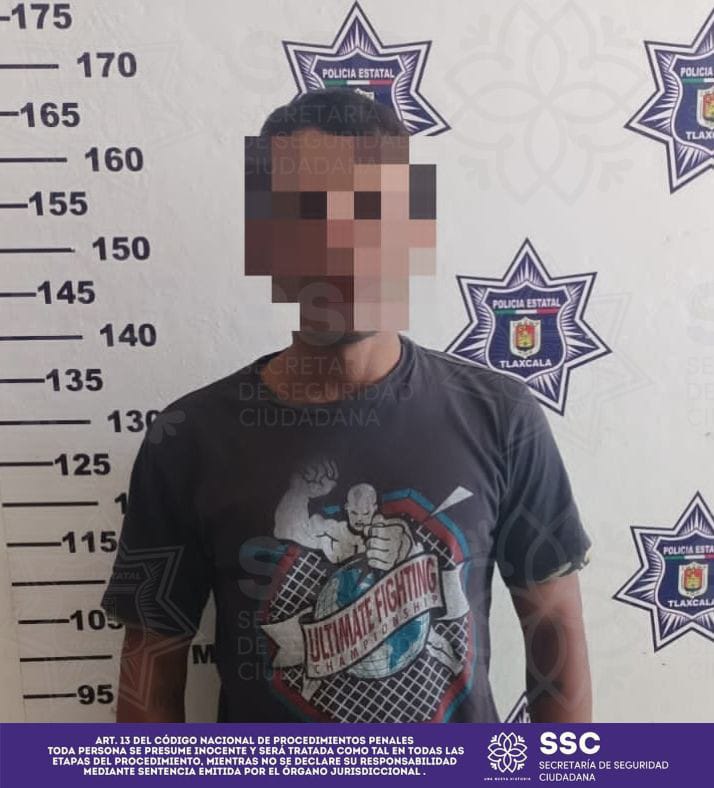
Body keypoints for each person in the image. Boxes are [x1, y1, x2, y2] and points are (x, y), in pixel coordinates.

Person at [101, 88, 592, 724]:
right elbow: (151, 667)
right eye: (308, 214)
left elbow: (554, 628)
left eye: (370, 210)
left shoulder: (501, 418)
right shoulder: (188, 440)